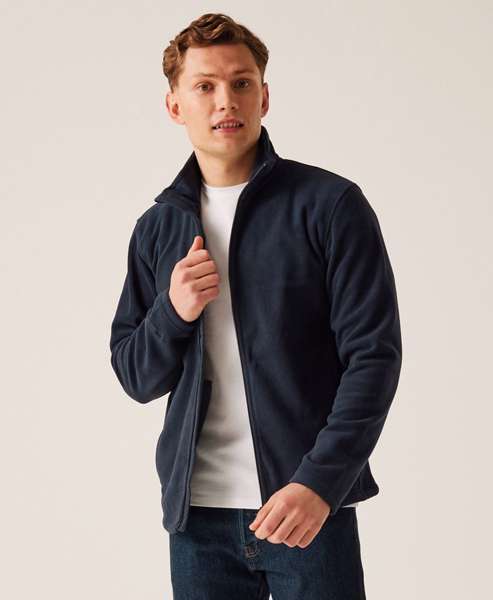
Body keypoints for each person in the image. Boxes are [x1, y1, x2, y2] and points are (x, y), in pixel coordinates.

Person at [109, 12, 402, 600]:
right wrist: (173, 310)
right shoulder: (157, 228)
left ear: (264, 97)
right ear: (174, 105)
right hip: (197, 520)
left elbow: (373, 358)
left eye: (241, 83)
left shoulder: (330, 205)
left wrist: (320, 483)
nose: (226, 100)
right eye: (205, 86)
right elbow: (136, 377)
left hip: (306, 510)